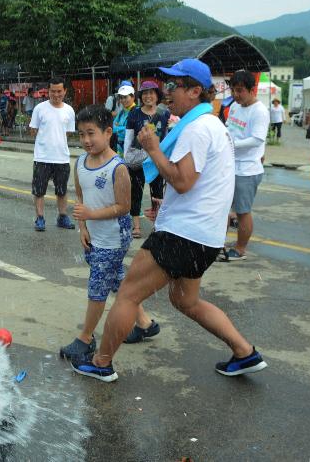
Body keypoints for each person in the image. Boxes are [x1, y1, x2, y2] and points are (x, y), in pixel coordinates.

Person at [72, 58, 267, 382]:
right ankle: (245, 353)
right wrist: (167, 203)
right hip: (203, 236)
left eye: (176, 85)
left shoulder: (198, 128)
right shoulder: (210, 125)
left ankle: (101, 361)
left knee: (128, 294)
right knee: (185, 300)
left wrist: (152, 148)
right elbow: (196, 184)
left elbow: (183, 180)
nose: (168, 91)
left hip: (183, 234)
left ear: (195, 91)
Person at [59, 105, 158, 361]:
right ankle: (145, 323)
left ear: (108, 133)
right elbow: (81, 198)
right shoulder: (80, 162)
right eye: (81, 134)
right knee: (118, 280)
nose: (86, 140)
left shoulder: (118, 167)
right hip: (93, 234)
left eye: (91, 133)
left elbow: (123, 208)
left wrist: (91, 216)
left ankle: (86, 338)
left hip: (114, 237)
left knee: (98, 286)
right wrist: (83, 226)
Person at [219, 70, 269, 262]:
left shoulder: (259, 111)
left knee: (242, 211)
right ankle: (218, 244)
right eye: (233, 90)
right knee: (223, 207)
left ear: (252, 89)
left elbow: (257, 139)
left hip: (247, 169)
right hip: (231, 165)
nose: (236, 95)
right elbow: (230, 129)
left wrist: (231, 144)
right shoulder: (234, 107)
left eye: (240, 91)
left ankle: (240, 249)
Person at [29, 77, 77, 231]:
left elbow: (68, 132)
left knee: (62, 190)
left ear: (65, 91)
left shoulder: (69, 110)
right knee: (39, 190)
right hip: (42, 156)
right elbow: (33, 130)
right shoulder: (40, 109)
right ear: (48, 91)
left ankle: (62, 217)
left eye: (59, 91)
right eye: (53, 91)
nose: (56, 94)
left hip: (62, 157)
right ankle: (40, 218)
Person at [123, 80, 169, 239]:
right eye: (145, 93)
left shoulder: (164, 113)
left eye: (152, 93)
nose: (148, 96)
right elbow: (129, 137)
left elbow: (166, 137)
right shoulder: (134, 113)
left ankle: (157, 226)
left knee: (158, 194)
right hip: (138, 160)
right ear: (140, 96)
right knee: (136, 192)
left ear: (157, 95)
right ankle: (136, 226)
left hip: (157, 160)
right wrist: (126, 158)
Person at [111, 84, 136, 156]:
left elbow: (133, 131)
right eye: (121, 98)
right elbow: (113, 128)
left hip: (132, 148)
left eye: (125, 97)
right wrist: (123, 128)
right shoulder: (121, 112)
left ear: (133, 97)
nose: (123, 100)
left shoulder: (137, 112)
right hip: (120, 149)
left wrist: (119, 128)